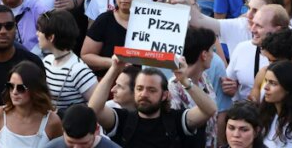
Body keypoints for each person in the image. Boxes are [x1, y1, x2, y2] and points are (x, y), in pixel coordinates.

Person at [88, 55, 216, 147]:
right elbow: (94, 110)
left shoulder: (177, 120)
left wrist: (184, 81)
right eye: (139, 88)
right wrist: (114, 69)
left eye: (152, 90)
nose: (144, 94)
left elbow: (209, 110)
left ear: (165, 95)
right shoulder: (123, 120)